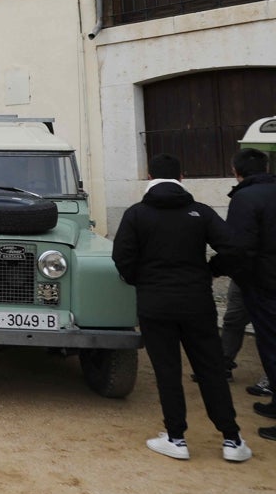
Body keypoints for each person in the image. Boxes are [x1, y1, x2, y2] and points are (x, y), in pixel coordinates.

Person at [112, 153, 251, 462]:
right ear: (183, 178)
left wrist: (141, 280)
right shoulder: (200, 212)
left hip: (154, 303)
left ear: (149, 177)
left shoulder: (136, 214)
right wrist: (212, 269)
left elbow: (122, 257)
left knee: (167, 370)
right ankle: (232, 439)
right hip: (197, 302)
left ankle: (176, 438)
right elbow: (235, 248)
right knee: (211, 369)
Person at [225, 147, 276, 442]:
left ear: (236, 171)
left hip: (263, 283)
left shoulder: (245, 197)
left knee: (270, 345)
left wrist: (233, 274)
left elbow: (239, 247)